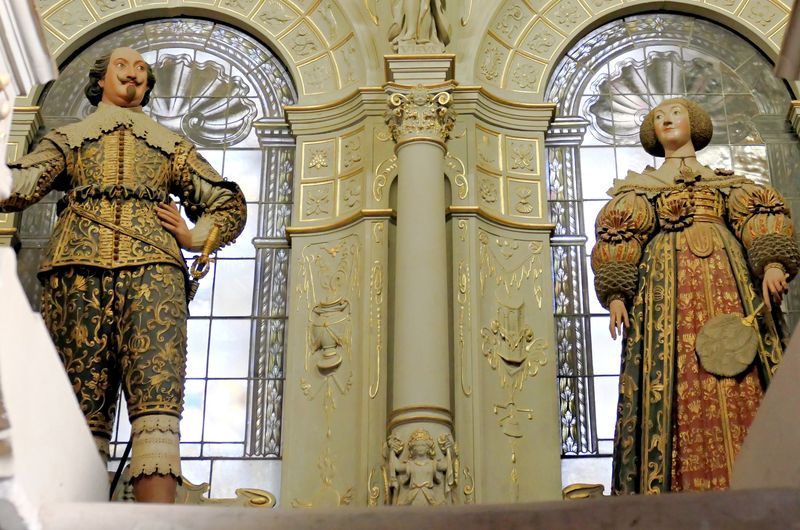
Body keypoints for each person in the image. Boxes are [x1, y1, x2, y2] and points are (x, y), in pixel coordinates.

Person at [0, 47, 247, 502]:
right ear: (101, 79)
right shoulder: (69, 139)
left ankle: (155, 523)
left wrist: (195, 237)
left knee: (156, 399)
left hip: (155, 275)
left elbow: (227, 201)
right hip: (75, 274)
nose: (132, 74)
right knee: (78, 406)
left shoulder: (170, 145)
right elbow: (18, 186)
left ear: (148, 85)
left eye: (141, 70)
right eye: (122, 66)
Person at [591, 98, 799, 494]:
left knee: (742, 370)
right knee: (675, 376)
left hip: (730, 286)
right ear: (652, 132)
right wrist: (616, 292)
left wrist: (773, 262)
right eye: (658, 117)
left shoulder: (727, 184)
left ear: (695, 123)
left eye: (676, 113)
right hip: (664, 297)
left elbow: (757, 216)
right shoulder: (640, 190)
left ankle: (758, 481)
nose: (666, 120)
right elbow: (621, 235)